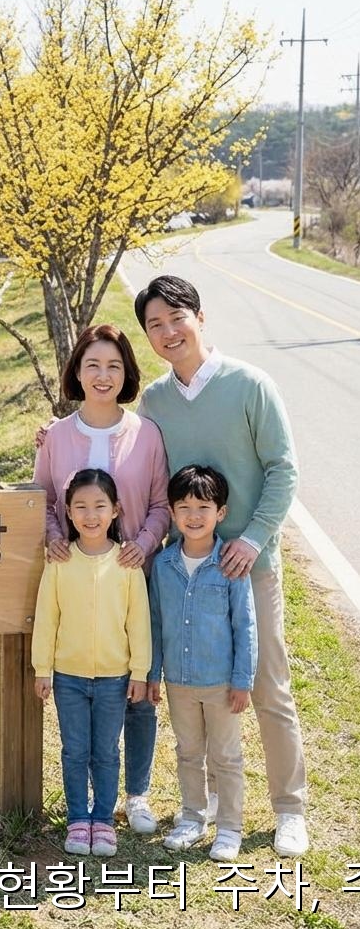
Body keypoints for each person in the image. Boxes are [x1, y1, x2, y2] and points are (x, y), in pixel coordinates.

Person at [135, 273, 308, 857]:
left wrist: (254, 538)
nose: (167, 331)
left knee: (264, 686)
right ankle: (201, 808)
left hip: (246, 565)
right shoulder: (155, 401)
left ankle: (289, 809)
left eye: (175, 317)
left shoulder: (250, 384)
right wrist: (52, 435)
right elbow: (137, 470)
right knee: (192, 691)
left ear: (200, 317)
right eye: (154, 325)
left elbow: (283, 469)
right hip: (185, 574)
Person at [32, 323, 169, 835]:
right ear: (77, 372)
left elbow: (159, 503)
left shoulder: (146, 434)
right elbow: (42, 497)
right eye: (93, 365)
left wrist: (146, 541)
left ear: (127, 373)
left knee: (138, 688)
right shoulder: (57, 435)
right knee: (87, 692)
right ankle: (83, 808)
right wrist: (53, 537)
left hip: (133, 576)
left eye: (114, 365)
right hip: (73, 579)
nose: (103, 375)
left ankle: (135, 794)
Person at [32, 468, 152, 858]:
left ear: (116, 510)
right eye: (80, 507)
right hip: (68, 677)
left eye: (99, 506)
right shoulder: (60, 561)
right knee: (74, 750)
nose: (90, 515)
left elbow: (138, 622)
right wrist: (42, 669)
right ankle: (77, 820)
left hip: (115, 679)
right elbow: (47, 617)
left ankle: (103, 820)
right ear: (67, 512)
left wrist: (139, 672)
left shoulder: (127, 563)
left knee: (106, 751)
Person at [149, 465, 258, 862]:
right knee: (188, 751)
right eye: (184, 507)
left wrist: (242, 680)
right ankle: (193, 818)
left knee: (226, 756)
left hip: (221, 683)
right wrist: (153, 674)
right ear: (172, 512)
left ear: (221, 513)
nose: (193, 516)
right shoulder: (162, 566)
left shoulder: (229, 563)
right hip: (178, 679)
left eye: (203, 507)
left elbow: (244, 623)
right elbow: (156, 622)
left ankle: (229, 827)